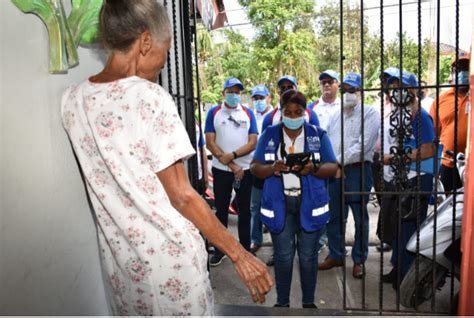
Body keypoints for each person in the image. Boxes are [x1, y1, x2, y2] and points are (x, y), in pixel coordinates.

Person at [60, 1, 272, 315]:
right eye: (167, 48)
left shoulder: (72, 99)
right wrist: (240, 256)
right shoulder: (149, 97)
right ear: (145, 42)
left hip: (123, 267)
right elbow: (183, 196)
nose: (165, 59)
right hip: (171, 265)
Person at [251, 89, 338, 308]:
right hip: (280, 205)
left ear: (305, 112)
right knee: (283, 256)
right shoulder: (270, 134)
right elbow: (254, 167)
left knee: (308, 257)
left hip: (309, 205)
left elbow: (333, 167)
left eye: (297, 111)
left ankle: (308, 303)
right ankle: (282, 303)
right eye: (288, 112)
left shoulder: (317, 135)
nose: (292, 116)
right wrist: (272, 168)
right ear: (281, 112)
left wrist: (313, 169)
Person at [318, 72, 380, 279]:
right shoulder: (337, 115)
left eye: (352, 90)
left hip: (357, 171)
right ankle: (336, 254)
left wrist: (337, 161)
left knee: (359, 217)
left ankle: (359, 259)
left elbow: (363, 146)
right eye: (345, 90)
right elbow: (325, 139)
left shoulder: (370, 113)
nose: (348, 94)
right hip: (335, 172)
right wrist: (331, 163)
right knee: (334, 216)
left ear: (360, 92)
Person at [379, 71, 435, 289]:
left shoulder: (419, 115)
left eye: (400, 87)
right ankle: (397, 268)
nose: (395, 91)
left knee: (411, 228)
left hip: (417, 179)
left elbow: (428, 149)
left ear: (410, 90)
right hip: (399, 178)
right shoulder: (397, 113)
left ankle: (408, 274)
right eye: (392, 87)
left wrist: (393, 158)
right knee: (398, 227)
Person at [205, 77, 259, 266]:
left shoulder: (248, 113)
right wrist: (230, 164)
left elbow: (253, 142)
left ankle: (245, 249)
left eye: (237, 92)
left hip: (246, 170)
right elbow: (210, 142)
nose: (234, 95)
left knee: (245, 211)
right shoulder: (214, 113)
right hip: (222, 171)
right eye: (231, 92)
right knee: (221, 211)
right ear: (223, 93)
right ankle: (221, 249)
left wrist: (234, 156)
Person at [430, 52, 470, 192]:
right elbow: (432, 134)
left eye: (466, 68)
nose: (462, 73)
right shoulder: (441, 100)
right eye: (458, 69)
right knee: (450, 206)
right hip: (449, 164)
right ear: (452, 74)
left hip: (471, 164)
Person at [250, 84, 273, 252]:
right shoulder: (250, 116)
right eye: (256, 99)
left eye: (261, 98)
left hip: (273, 168)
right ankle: (256, 239)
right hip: (256, 168)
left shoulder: (275, 116)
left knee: (274, 206)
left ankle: (276, 245)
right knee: (255, 206)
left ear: (269, 98)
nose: (259, 101)